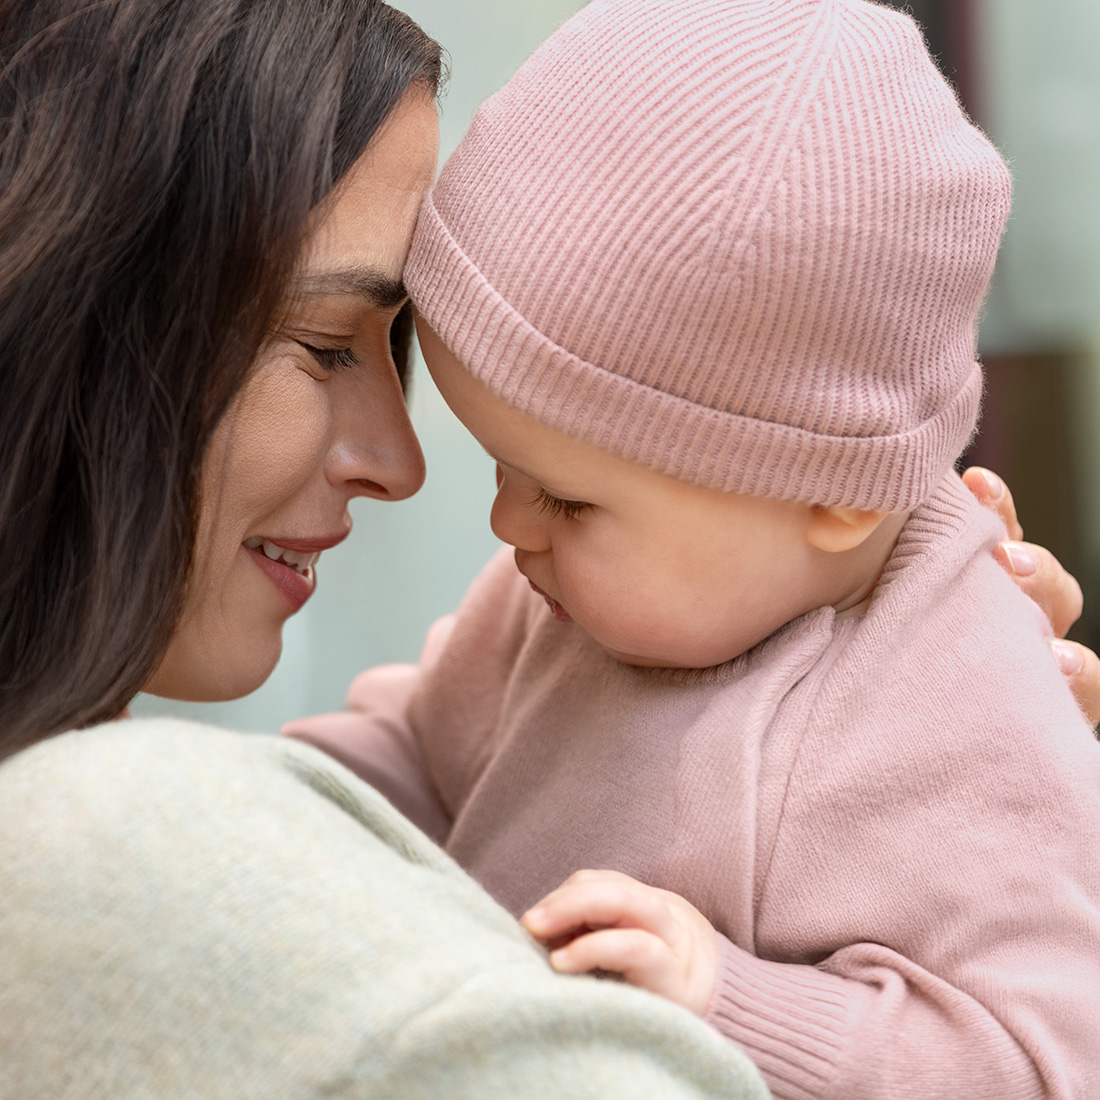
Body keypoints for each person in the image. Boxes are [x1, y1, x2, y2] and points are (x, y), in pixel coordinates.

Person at [284, 2, 1100, 1098]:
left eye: (566, 500)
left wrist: (725, 1000)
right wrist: (252, 809)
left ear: (830, 487)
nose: (506, 526)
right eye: (500, 470)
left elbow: (1035, 1059)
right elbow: (416, 753)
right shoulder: (562, 604)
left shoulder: (963, 704)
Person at [0, 2, 772, 1096]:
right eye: (322, 344)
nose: (398, 459)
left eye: (393, 341)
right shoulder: (109, 831)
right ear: (68, 313)